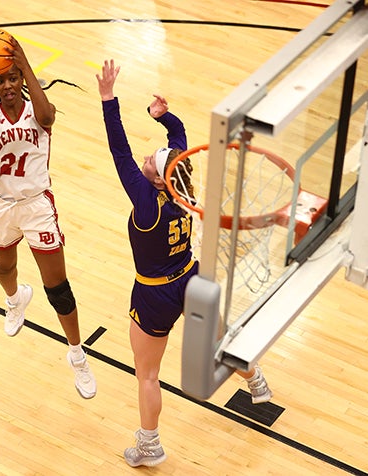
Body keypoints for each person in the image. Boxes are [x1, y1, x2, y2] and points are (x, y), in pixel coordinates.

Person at [96, 59, 272, 467]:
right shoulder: (183, 190)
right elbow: (177, 142)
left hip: (155, 293)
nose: (145, 158)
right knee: (220, 338)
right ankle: (257, 381)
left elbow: (119, 150)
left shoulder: (146, 201)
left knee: (147, 374)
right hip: (189, 277)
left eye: (151, 162)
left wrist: (108, 98)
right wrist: (165, 117)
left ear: (159, 179)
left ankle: (150, 446)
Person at [0, 37, 96, 399]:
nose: (9, 85)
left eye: (13, 78)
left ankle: (78, 355)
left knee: (58, 289)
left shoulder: (37, 111)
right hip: (0, 206)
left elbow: (47, 117)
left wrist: (25, 64)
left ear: (23, 79)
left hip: (36, 207)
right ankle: (16, 300)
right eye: (2, 80)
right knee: (4, 268)